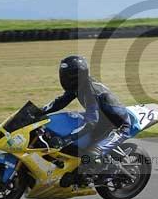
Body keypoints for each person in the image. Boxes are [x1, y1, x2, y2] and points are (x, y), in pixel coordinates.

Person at [42, 55, 131, 183]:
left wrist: (69, 138)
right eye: (63, 74)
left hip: (118, 126)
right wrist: (38, 111)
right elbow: (60, 102)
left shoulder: (90, 91)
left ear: (78, 75)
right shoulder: (78, 86)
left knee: (92, 154)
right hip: (101, 121)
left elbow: (91, 122)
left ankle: (94, 175)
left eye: (68, 75)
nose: (64, 78)